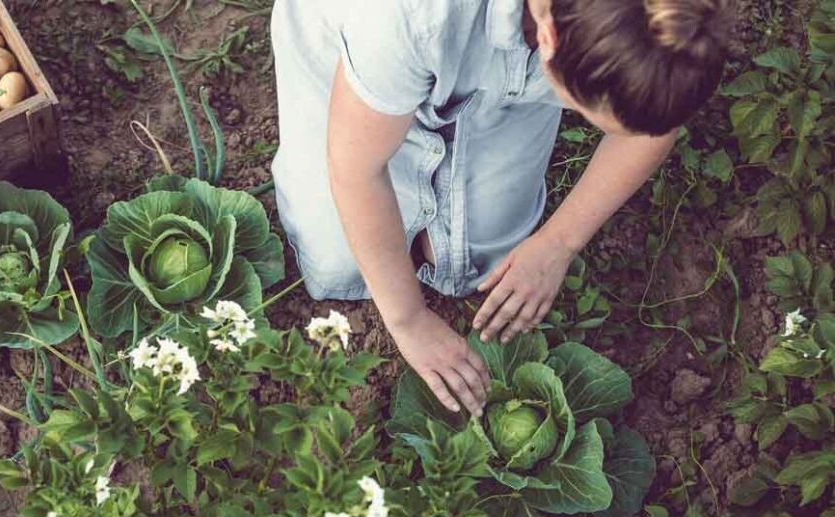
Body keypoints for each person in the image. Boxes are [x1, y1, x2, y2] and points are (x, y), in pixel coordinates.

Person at [270, 0, 732, 416]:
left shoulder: (668, 19)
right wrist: (408, 322)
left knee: (482, 262)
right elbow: (356, 171)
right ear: (549, 40)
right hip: (355, 54)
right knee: (339, 261)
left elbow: (651, 124)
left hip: (510, 71)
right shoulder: (406, 15)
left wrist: (558, 243)